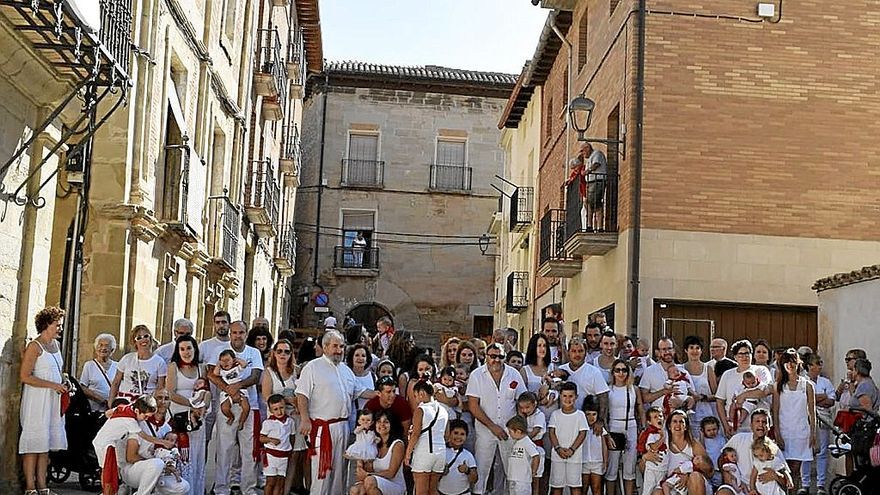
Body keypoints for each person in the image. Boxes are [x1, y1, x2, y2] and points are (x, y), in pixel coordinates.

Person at [297, 330, 379, 495]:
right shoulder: (312, 367)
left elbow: (360, 391)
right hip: (322, 428)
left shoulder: (346, 370)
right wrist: (305, 419)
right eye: (335, 346)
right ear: (325, 347)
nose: (339, 350)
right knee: (322, 474)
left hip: (343, 427)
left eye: (341, 346)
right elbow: (301, 394)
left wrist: (381, 394)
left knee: (340, 473)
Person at [206, 321, 264, 495]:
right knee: (224, 448)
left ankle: (248, 488)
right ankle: (222, 488)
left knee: (248, 450)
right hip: (226, 404)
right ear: (230, 334)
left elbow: (255, 376)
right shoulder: (219, 351)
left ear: (246, 334)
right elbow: (210, 373)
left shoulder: (253, 352)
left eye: (241, 332)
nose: (238, 336)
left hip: (249, 405)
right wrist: (228, 389)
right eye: (235, 332)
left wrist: (237, 386)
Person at [19, 306, 69, 495]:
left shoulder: (56, 346)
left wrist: (63, 383)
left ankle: (43, 485)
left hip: (52, 401)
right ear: (46, 324)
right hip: (36, 401)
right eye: (57, 325)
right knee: (33, 444)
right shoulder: (35, 346)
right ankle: (30, 488)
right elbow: (25, 376)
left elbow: (57, 372)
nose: (60, 328)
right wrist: (52, 385)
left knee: (45, 443)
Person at [466, 343, 527, 494]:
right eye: (492, 356)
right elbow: (473, 406)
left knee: (512, 471)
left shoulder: (514, 374)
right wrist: (492, 426)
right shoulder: (476, 375)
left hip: (510, 432)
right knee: (481, 470)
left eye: (500, 356)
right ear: (486, 357)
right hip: (485, 431)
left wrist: (519, 426)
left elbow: (522, 400)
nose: (496, 360)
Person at [261, 338, 308, 495]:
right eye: (279, 351)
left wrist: (298, 403)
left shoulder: (297, 371)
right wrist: (285, 400)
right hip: (276, 421)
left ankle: (286, 491)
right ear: (274, 353)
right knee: (277, 458)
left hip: (294, 418)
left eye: (286, 351)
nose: (283, 354)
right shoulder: (269, 373)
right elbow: (266, 396)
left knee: (294, 455)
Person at [92, 395, 166, 495]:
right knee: (108, 474)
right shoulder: (130, 420)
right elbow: (144, 436)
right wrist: (163, 442)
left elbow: (108, 413)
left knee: (110, 472)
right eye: (146, 416)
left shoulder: (124, 407)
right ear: (137, 411)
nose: (146, 419)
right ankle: (107, 492)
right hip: (106, 445)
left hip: (107, 442)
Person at [165, 334, 209, 495]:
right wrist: (191, 405)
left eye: (189, 348)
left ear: (194, 349)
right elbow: (170, 393)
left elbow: (206, 391)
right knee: (182, 458)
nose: (186, 352)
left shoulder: (201, 368)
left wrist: (201, 408)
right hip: (179, 417)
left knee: (196, 457)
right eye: (182, 349)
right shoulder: (173, 367)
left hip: (197, 418)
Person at [771, 349, 815, 494]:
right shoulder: (778, 386)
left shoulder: (807, 385)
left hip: (801, 432)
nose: (789, 365)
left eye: (792, 361)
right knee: (783, 468)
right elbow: (775, 411)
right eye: (786, 362)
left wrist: (814, 434)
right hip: (784, 431)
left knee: (795, 468)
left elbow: (812, 412)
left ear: (798, 363)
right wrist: (777, 433)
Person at [716, 409, 786, 495]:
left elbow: (786, 481)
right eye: (757, 421)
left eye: (764, 422)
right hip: (740, 486)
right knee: (724, 492)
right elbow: (721, 458)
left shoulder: (774, 449)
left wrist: (776, 476)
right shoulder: (738, 438)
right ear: (751, 425)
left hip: (764, 490)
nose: (761, 424)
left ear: (768, 426)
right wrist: (726, 473)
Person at [715, 340, 774, 437]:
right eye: (741, 354)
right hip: (735, 428)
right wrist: (725, 425)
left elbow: (765, 391)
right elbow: (720, 401)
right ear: (735, 357)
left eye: (747, 353)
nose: (744, 357)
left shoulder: (761, 370)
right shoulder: (728, 374)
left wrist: (743, 396)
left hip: (759, 427)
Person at [135, 391, 191, 494]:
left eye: (166, 399)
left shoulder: (167, 428)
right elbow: (130, 456)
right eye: (159, 398)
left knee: (183, 487)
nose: (163, 402)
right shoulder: (140, 423)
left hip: (160, 470)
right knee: (155, 466)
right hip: (138, 467)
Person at [652, 409, 710, 495]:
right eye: (674, 421)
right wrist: (646, 457)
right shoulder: (662, 443)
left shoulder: (694, 444)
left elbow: (709, 470)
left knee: (695, 476)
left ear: (686, 426)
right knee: (657, 492)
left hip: (693, 483)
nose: (678, 425)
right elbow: (643, 467)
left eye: (681, 422)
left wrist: (688, 474)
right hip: (672, 483)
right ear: (669, 426)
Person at [406, 380, 449, 494]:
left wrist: (408, 454)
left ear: (422, 393)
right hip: (441, 453)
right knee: (433, 491)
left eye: (415, 395)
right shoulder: (444, 410)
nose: (415, 399)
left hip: (424, 452)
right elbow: (447, 436)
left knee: (421, 491)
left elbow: (415, 434)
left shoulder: (421, 410)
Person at [606, 358, 641, 495]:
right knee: (612, 468)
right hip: (613, 427)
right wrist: (607, 433)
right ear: (613, 372)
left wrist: (642, 427)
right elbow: (604, 413)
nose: (621, 373)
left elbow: (640, 409)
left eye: (624, 370)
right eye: (617, 370)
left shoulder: (633, 389)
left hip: (631, 425)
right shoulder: (608, 390)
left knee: (629, 468)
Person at [109, 324, 168, 404]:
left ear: (150, 338)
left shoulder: (159, 362)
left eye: (146, 336)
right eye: (139, 338)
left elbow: (160, 387)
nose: (143, 339)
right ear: (134, 342)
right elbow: (116, 382)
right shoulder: (127, 359)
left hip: (146, 404)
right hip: (125, 402)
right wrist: (111, 401)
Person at [802, 353, 834, 495]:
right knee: (806, 452)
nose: (820, 366)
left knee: (822, 452)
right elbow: (804, 399)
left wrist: (814, 399)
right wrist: (821, 397)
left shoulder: (825, 382)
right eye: (817, 363)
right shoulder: (802, 381)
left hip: (823, 420)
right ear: (809, 366)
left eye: (820, 363)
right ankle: (805, 484)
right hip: (806, 420)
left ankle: (821, 484)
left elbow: (831, 400)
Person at [549, 382, 588, 495]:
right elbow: (552, 432)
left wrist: (572, 449)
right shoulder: (555, 414)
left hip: (574, 457)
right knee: (557, 487)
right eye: (564, 396)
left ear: (576, 397)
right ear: (560, 396)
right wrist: (558, 448)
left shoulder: (580, 415)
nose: (567, 399)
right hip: (558, 456)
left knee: (575, 486)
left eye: (571, 396)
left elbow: (582, 433)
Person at [200, 310, 232, 442]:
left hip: (228, 398)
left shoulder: (234, 346)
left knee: (225, 439)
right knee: (205, 437)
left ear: (229, 324)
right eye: (218, 322)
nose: (221, 326)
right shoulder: (204, 346)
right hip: (210, 397)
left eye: (224, 322)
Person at [640, 337, 695, 414]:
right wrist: (665, 391)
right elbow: (644, 398)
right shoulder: (649, 371)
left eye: (669, 348)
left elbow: (693, 396)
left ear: (674, 350)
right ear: (658, 352)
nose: (667, 352)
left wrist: (682, 402)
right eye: (663, 349)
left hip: (680, 420)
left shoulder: (683, 371)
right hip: (658, 419)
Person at [559, 337, 610, 415]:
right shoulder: (561, 370)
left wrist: (600, 420)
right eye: (573, 351)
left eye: (580, 351)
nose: (577, 354)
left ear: (586, 353)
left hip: (587, 420)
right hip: (564, 418)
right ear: (568, 352)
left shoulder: (594, 372)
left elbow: (603, 397)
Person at [683, 336, 718, 439]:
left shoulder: (708, 369)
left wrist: (702, 397)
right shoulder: (680, 369)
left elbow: (716, 395)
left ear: (701, 351)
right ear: (686, 350)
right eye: (691, 347)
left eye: (697, 348)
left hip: (706, 416)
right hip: (687, 416)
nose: (694, 351)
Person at [260, 394, 295, 495]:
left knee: (280, 481)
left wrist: (290, 449)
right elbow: (261, 438)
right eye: (275, 409)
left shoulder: (290, 421)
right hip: (271, 456)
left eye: (281, 408)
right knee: (271, 481)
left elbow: (292, 436)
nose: (279, 412)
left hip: (284, 456)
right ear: (271, 410)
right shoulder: (268, 423)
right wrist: (270, 440)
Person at [516, 392, 546, 495]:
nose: (525, 410)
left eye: (527, 407)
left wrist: (523, 440)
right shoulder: (523, 416)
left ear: (535, 404)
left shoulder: (539, 415)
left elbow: (536, 430)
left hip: (537, 448)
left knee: (535, 479)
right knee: (525, 478)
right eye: (522, 408)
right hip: (525, 450)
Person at [80, 333, 119, 412]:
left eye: (107, 345)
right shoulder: (89, 365)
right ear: (96, 348)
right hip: (94, 409)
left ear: (112, 349)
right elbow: (83, 387)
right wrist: (101, 400)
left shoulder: (118, 366)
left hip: (113, 409)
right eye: (100, 345)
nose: (103, 348)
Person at [438, 418, 478, 495]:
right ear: (449, 433)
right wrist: (440, 471)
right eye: (456, 433)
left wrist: (467, 470)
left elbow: (474, 479)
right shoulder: (441, 452)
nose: (459, 437)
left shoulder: (468, 455)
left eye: (462, 434)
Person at [581, 396, 609, 495]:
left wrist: (605, 461)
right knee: (583, 488)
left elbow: (604, 446)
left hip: (597, 462)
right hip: (583, 462)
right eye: (588, 414)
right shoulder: (581, 428)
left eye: (594, 414)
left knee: (596, 488)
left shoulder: (600, 429)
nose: (591, 417)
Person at [507, 415, 540, 495]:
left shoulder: (527, 442)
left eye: (510, 432)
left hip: (523, 480)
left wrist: (533, 471)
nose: (509, 434)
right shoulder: (516, 442)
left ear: (518, 431)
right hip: (513, 477)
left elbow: (536, 456)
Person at [638, 407, 668, 495]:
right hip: (652, 469)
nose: (659, 418)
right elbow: (653, 448)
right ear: (649, 422)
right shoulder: (651, 434)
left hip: (663, 469)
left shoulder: (665, 432)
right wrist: (662, 438)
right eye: (655, 417)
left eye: (660, 416)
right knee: (648, 490)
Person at [700, 417, 726, 490]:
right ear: (703, 430)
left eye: (714, 429)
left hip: (719, 470)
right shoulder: (703, 441)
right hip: (707, 470)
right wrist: (701, 436)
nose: (712, 432)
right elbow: (701, 450)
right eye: (708, 430)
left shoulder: (721, 439)